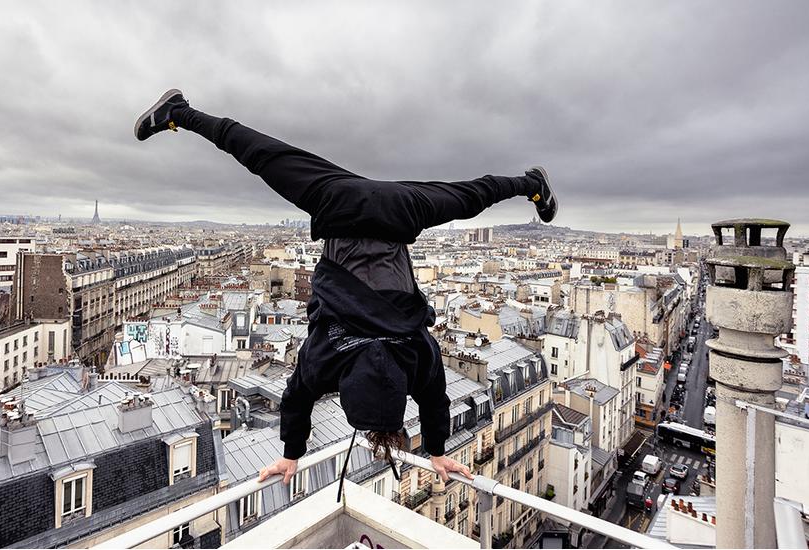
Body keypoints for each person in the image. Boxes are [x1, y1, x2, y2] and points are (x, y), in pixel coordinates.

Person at [134, 89, 558, 495]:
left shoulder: (413, 354)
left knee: (471, 194)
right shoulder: (329, 358)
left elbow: (434, 399)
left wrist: (438, 450)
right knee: (257, 151)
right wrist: (291, 454)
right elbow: (296, 398)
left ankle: (531, 183)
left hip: (396, 207)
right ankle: (179, 112)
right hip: (338, 203)